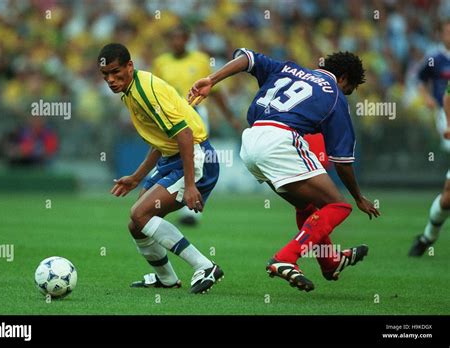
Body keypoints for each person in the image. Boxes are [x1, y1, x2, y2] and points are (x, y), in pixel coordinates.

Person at [188, 48, 380, 292]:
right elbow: (342, 161)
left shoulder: (290, 68)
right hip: (280, 139)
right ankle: (286, 257)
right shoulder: (335, 96)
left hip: (251, 141)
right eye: (350, 88)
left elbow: (248, 58)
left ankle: (330, 261)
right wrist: (358, 197)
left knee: (306, 206)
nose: (348, 93)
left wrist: (212, 80)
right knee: (338, 206)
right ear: (343, 78)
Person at [98, 43, 223, 294]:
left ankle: (205, 266)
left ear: (130, 66)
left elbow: (185, 135)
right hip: (172, 156)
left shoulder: (145, 92)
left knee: (141, 214)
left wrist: (189, 185)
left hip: (196, 156)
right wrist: (136, 177)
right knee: (137, 223)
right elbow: (162, 140)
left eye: (115, 72)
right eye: (105, 76)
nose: (111, 80)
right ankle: (166, 279)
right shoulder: (130, 91)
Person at [153, 24, 242, 226]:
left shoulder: (201, 60)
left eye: (180, 38)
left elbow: (215, 90)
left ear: (187, 39)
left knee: (196, 157)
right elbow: (155, 91)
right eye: (173, 39)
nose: (176, 42)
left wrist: (230, 116)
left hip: (196, 114)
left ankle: (192, 210)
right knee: (171, 156)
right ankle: (162, 198)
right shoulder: (161, 63)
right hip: (169, 116)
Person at [409, 21, 450, 257]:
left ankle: (426, 238)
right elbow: (444, 93)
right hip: (443, 120)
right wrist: (427, 98)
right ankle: (427, 237)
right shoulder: (435, 58)